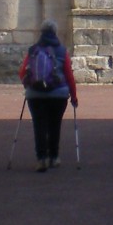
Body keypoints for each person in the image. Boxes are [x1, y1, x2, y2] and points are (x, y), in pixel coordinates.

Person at [20, 20, 78, 172]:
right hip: (58, 94)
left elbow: (22, 73)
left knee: (39, 126)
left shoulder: (33, 50)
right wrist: (74, 95)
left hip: (35, 95)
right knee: (54, 125)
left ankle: (41, 159)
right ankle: (54, 157)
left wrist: (29, 85)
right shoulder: (61, 51)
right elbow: (69, 75)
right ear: (55, 32)